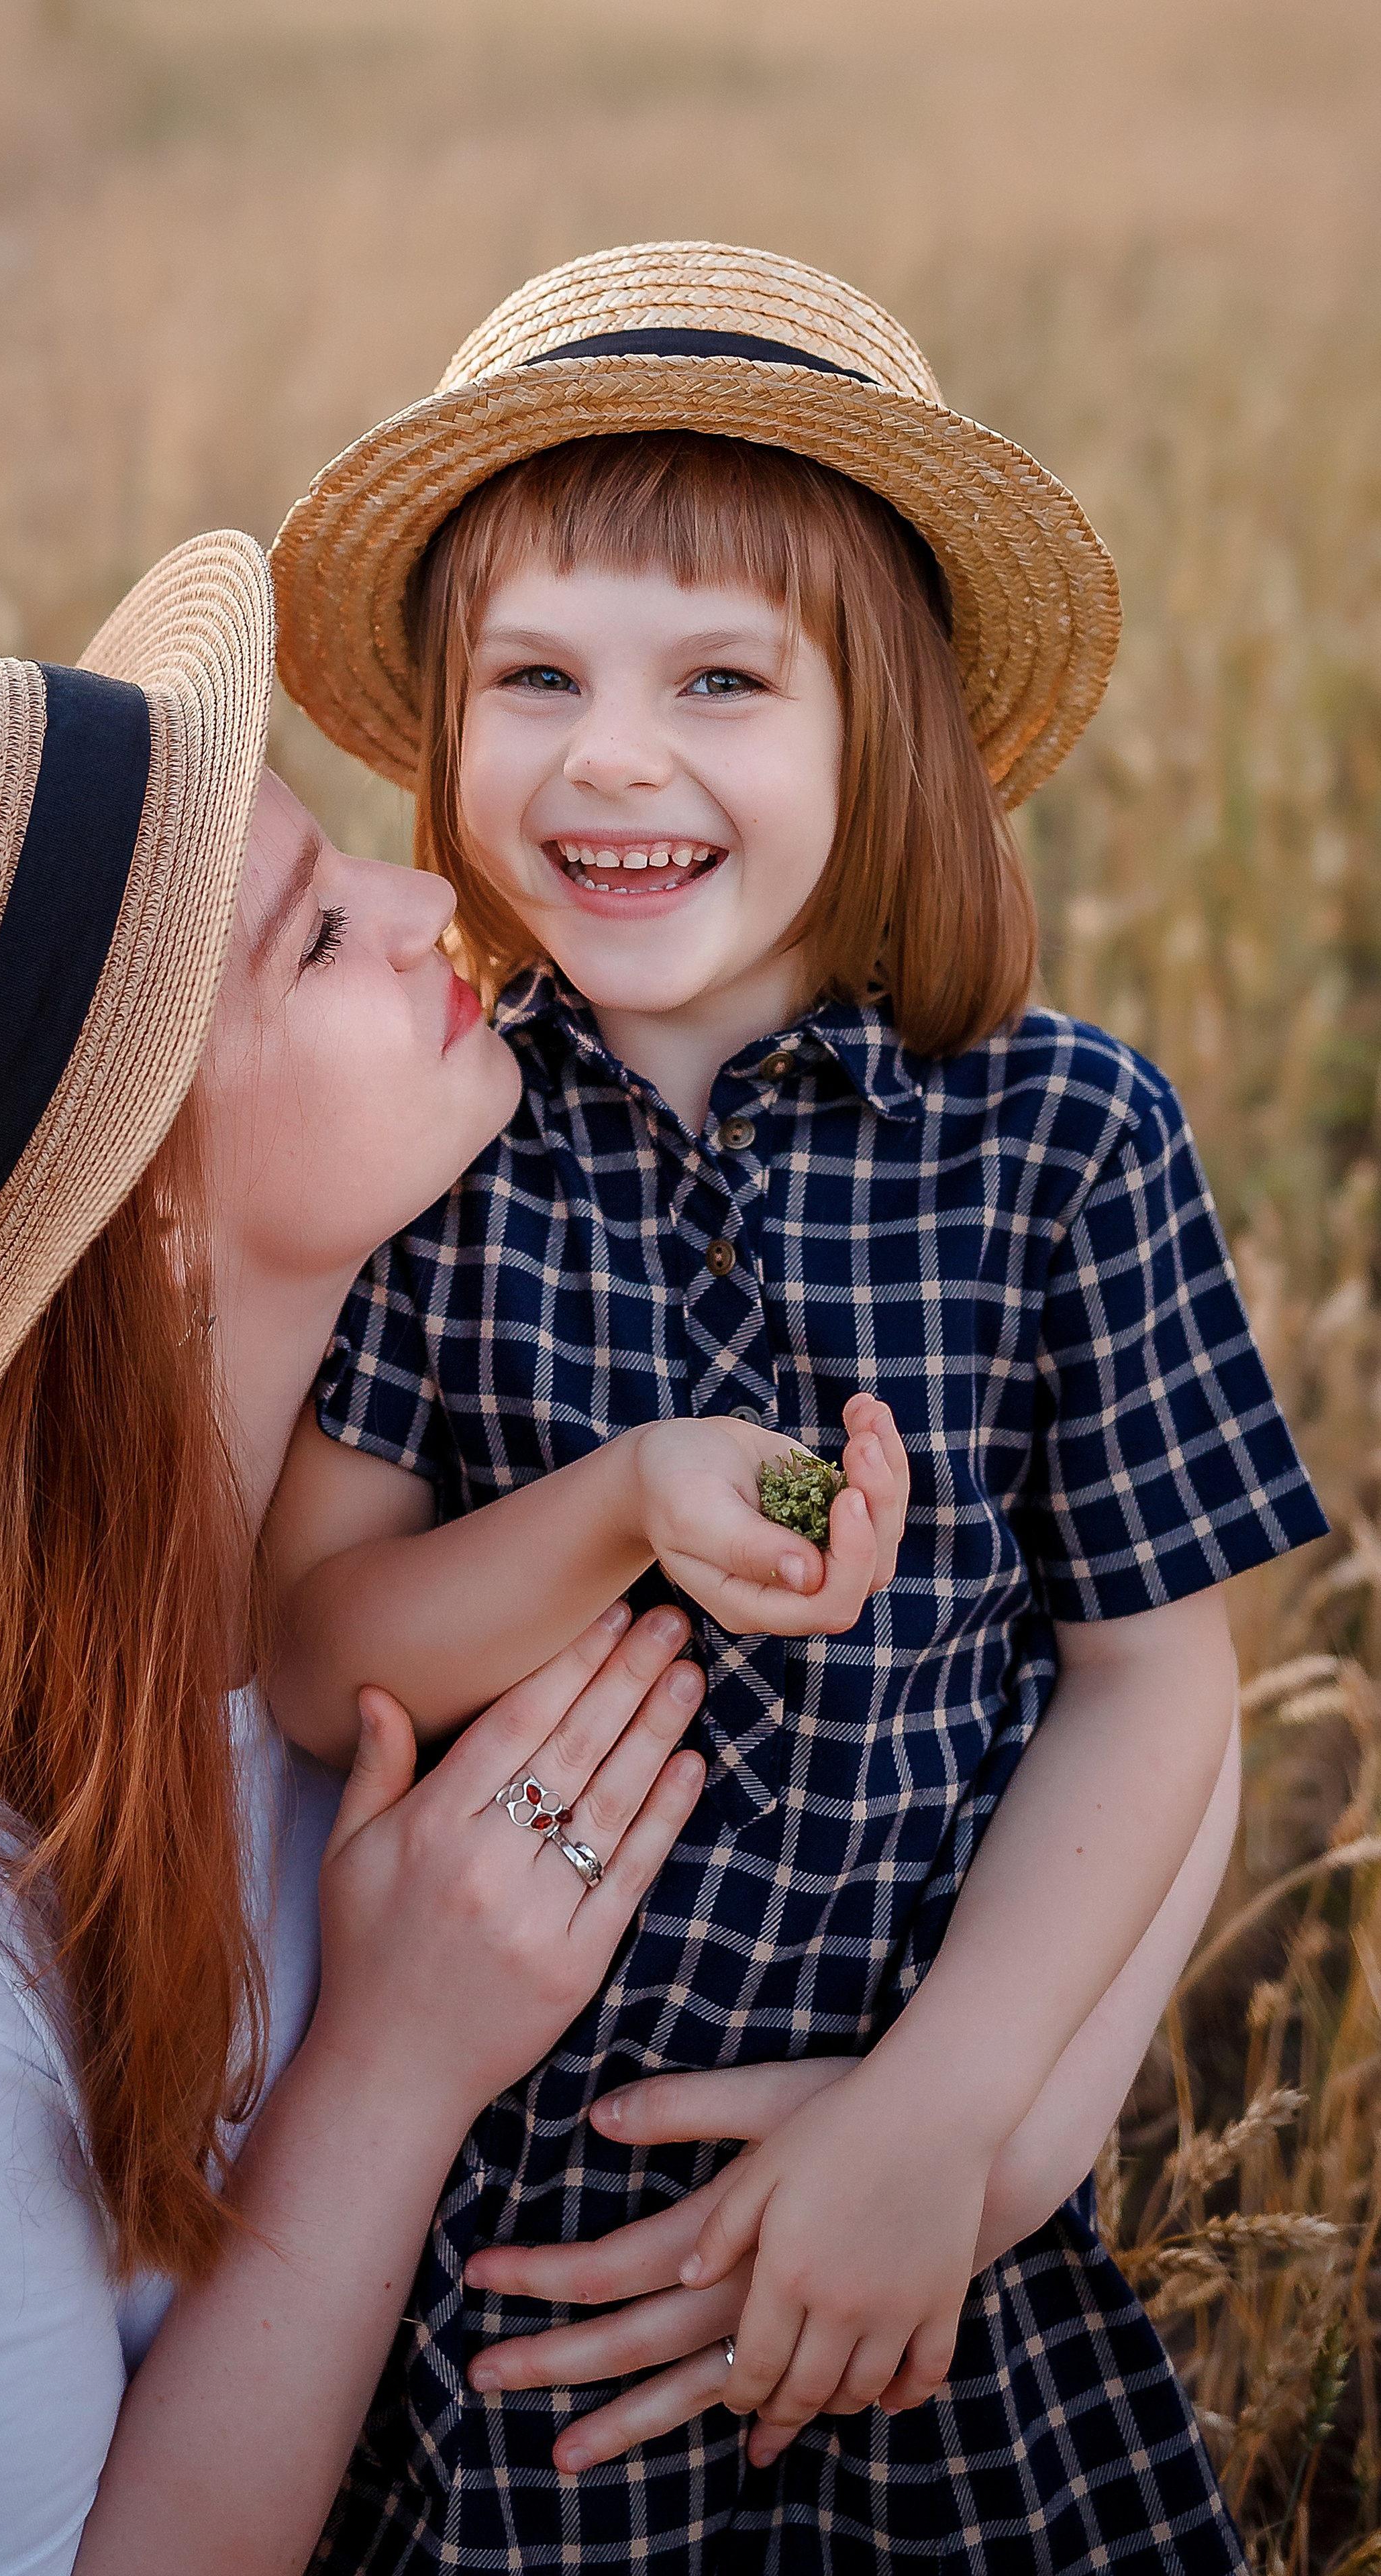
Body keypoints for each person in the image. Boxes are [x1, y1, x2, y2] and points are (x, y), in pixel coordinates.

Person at [262, 244, 1329, 2571]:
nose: (611, 756)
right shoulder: (444, 1146)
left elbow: (1155, 1689)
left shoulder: (1065, 1140)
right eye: (533, 677)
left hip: (927, 2216)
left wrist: (949, 2127)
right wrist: (621, 1503)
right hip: (516, 2263)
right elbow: (306, 1641)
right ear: (443, 737)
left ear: (888, 734)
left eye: (721, 680)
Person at [0, 530, 717, 2576]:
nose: (437, 905)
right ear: (146, 1206)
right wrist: (394, 2067)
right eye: (318, 938)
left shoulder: (475, 1381)